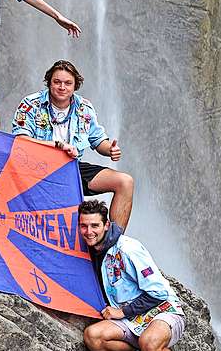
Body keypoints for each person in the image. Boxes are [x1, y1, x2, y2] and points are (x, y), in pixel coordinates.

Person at [79, 200, 185, 351]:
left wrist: (122, 312)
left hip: (162, 310)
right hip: (132, 320)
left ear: (106, 225)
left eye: (94, 225)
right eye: (84, 226)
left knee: (150, 342)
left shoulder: (128, 249)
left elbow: (159, 293)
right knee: (93, 337)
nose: (89, 231)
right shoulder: (94, 250)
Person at [11, 60, 134, 229]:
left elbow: (98, 141)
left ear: (75, 85)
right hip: (36, 169)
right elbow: (20, 141)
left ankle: (112, 245)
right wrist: (57, 145)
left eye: (68, 83)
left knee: (125, 182)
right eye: (57, 82)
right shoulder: (30, 104)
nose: (62, 87)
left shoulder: (84, 108)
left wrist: (110, 150)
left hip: (71, 169)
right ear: (49, 83)